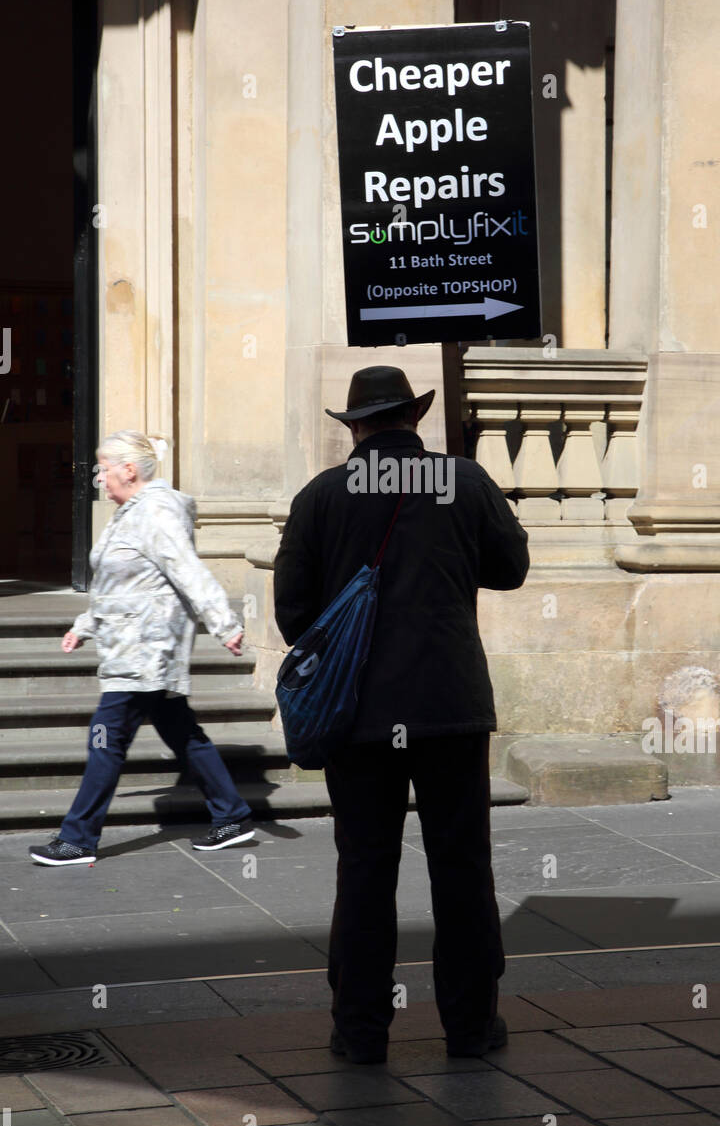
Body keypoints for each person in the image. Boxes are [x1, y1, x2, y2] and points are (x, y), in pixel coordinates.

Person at [273, 366, 529, 1063]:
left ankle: (360, 1034)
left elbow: (294, 615)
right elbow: (511, 570)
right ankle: (471, 1028)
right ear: (413, 419)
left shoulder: (320, 496)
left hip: (356, 714)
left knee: (363, 868)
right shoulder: (464, 481)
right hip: (450, 708)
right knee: (463, 867)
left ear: (355, 426)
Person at [29, 430, 254, 866]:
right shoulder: (130, 513)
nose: (99, 479)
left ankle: (78, 837)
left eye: (104, 470)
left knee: (103, 740)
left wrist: (224, 623)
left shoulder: (155, 512)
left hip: (145, 651)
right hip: (133, 647)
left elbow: (186, 570)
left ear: (128, 470)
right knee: (181, 731)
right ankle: (232, 816)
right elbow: (119, 586)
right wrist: (85, 624)